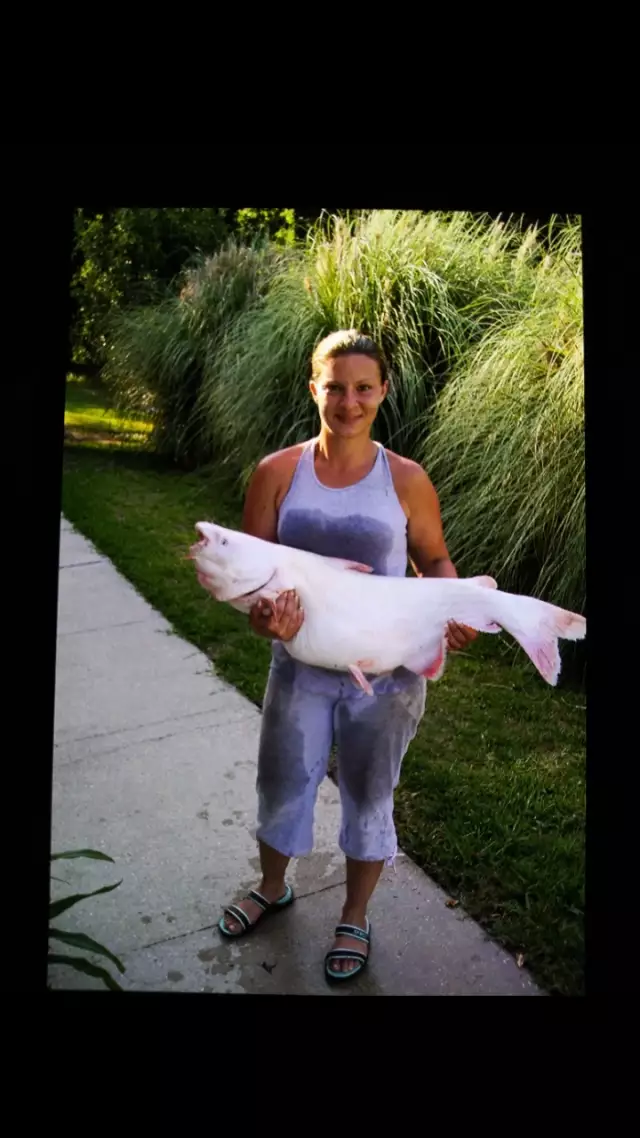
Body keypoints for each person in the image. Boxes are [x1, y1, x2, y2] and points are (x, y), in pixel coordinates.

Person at [218, 329, 477, 982]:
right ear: (315, 389)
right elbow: (253, 578)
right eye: (335, 386)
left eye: (364, 388)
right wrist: (265, 620)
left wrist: (452, 602)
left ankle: (354, 915)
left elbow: (434, 557)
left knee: (369, 796)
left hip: (384, 680)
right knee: (281, 784)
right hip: (299, 669)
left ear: (382, 392)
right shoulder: (277, 473)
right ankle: (274, 886)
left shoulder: (408, 479)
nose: (349, 401)